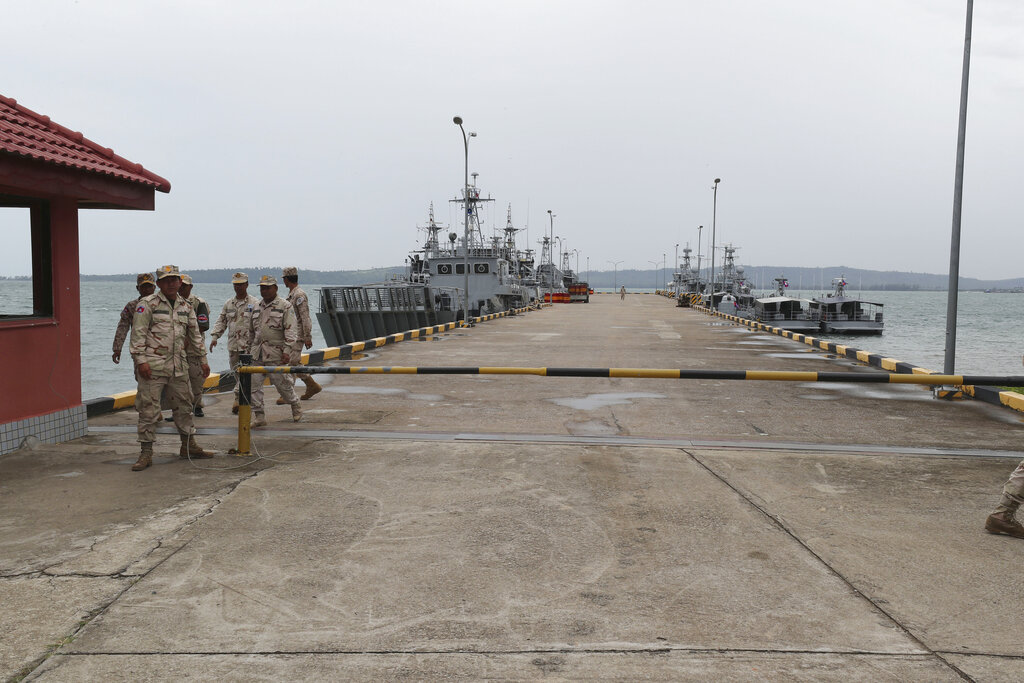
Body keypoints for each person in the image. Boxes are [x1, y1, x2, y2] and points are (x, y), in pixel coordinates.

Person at [128, 265, 214, 471]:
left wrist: (203, 360)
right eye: (167, 280)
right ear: (158, 284)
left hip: (179, 366)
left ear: (180, 282)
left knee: (185, 406)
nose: (172, 283)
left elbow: (195, 336)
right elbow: (137, 335)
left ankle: (188, 446)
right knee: (149, 410)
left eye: (175, 279)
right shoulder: (147, 304)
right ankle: (146, 453)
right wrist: (141, 361)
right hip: (153, 366)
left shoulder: (186, 306)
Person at [249, 275, 301, 427]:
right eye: (262, 288)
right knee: (254, 385)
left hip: (276, 352)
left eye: (267, 287)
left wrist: (287, 350)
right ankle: (259, 416)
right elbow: (251, 332)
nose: (264, 290)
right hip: (257, 352)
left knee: (283, 384)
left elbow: (291, 330)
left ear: (275, 288)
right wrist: (248, 350)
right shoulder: (257, 306)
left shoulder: (285, 306)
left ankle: (295, 405)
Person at [209, 272, 258, 414]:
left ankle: (238, 399)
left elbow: (259, 325)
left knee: (246, 375)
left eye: (241, 284)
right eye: (236, 285)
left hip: (248, 347)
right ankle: (241, 399)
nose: (238, 287)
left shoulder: (254, 303)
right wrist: (214, 337)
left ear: (247, 285)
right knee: (237, 374)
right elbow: (222, 321)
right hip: (233, 346)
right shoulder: (229, 304)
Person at [277, 266, 322, 404]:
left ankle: (287, 394)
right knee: (295, 362)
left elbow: (305, 317)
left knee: (291, 363)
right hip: (291, 335)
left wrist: (307, 337)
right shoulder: (291, 295)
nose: (283, 281)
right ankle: (312, 385)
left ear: (287, 279)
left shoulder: (299, 295)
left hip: (298, 335)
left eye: (284, 278)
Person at [179, 274, 211, 417]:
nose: (181, 288)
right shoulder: (172, 302)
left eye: (184, 286)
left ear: (190, 287)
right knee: (178, 382)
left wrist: (187, 337)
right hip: (177, 350)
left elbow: (203, 325)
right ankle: (179, 409)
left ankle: (197, 405)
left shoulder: (198, 303)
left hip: (194, 349)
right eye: (180, 285)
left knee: (196, 380)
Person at [112, 273, 156, 365]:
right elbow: (122, 328)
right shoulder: (132, 306)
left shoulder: (162, 304)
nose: (147, 290)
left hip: (162, 350)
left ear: (154, 287)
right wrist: (117, 348)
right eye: (143, 287)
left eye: (149, 286)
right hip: (141, 350)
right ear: (137, 288)